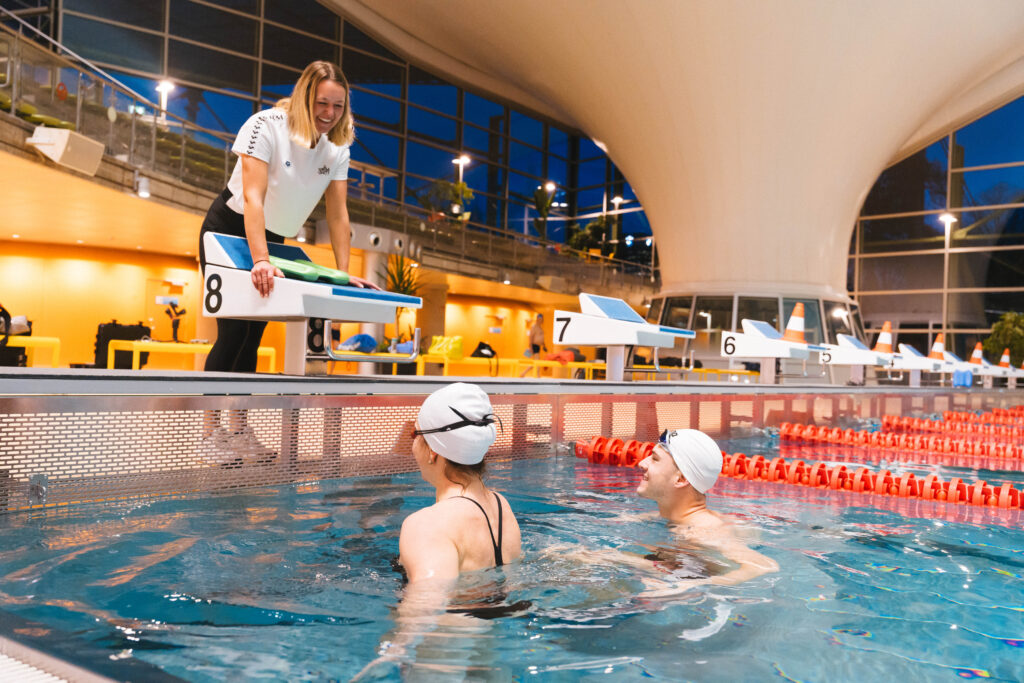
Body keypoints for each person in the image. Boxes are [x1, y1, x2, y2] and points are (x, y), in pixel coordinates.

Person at [197, 60, 377, 458]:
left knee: (253, 337)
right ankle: (210, 433)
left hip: (275, 237)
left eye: (337, 106)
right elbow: (253, 198)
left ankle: (239, 430)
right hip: (230, 229)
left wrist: (344, 276)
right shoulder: (265, 125)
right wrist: (259, 259)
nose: (329, 115)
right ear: (303, 97)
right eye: (321, 103)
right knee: (231, 334)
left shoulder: (338, 147)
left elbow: (338, 215)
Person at [355, 383, 523, 679]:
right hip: (491, 637)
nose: (412, 446)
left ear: (433, 451)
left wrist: (398, 646)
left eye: (414, 435)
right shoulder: (501, 506)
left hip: (443, 646)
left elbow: (430, 593)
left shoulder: (428, 523)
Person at [634, 428, 778, 595]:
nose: (642, 463)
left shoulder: (703, 532)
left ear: (680, 479)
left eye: (654, 459)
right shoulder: (666, 519)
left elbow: (764, 566)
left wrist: (688, 587)